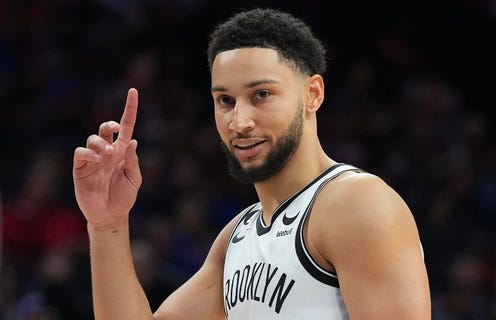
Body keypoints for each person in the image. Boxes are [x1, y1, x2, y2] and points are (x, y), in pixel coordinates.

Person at [72, 7, 431, 320]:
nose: (239, 121)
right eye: (225, 100)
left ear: (313, 94)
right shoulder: (237, 236)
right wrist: (107, 225)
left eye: (261, 95)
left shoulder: (356, 204)